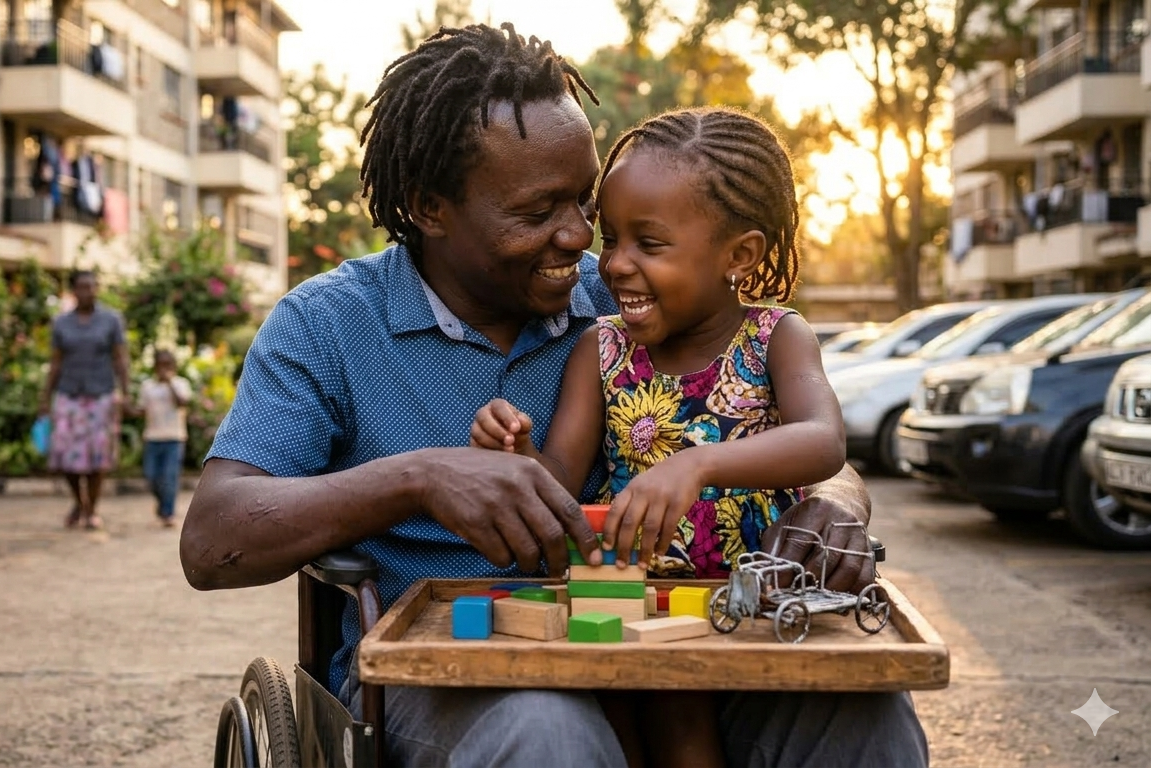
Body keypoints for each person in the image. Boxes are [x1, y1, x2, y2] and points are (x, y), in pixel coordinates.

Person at [182, 23, 927, 768]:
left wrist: (833, 502)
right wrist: (419, 477)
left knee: (866, 722)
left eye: (585, 203)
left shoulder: (633, 292)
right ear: (430, 207)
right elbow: (213, 541)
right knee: (550, 734)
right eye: (539, 212)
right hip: (449, 667)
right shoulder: (329, 324)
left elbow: (785, 423)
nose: (579, 237)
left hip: (681, 631)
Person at [470, 105, 847, 768]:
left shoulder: (776, 338)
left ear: (739, 255)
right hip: (632, 603)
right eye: (611, 238)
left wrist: (698, 465)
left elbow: (823, 440)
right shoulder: (601, 350)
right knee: (633, 727)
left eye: (650, 243)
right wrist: (517, 454)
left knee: (690, 734)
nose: (614, 264)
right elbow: (559, 481)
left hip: (755, 607)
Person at [41, 270, 129, 532]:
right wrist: (45, 398)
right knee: (66, 457)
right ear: (73, 290)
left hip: (100, 394)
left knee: (96, 458)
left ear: (97, 288)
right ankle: (79, 501)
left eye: (91, 286)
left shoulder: (111, 320)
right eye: (81, 287)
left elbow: (120, 357)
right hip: (68, 395)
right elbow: (55, 362)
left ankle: (91, 510)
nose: (87, 292)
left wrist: (126, 391)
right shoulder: (61, 323)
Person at [135, 349, 192, 528]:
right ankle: (162, 504)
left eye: (167, 365)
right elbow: (142, 409)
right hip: (152, 437)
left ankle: (168, 513)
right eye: (160, 365)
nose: (163, 369)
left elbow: (182, 403)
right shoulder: (147, 387)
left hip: (174, 438)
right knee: (151, 475)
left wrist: (169, 384)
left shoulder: (181, 384)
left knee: (169, 477)